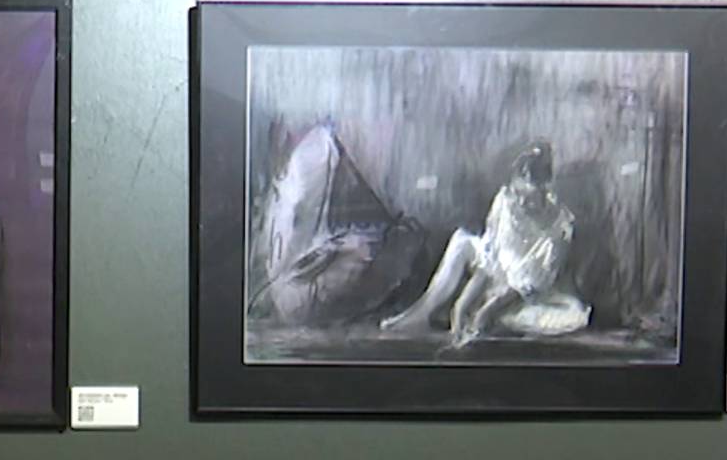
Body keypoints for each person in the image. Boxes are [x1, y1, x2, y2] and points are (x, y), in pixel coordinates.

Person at [380, 141, 590, 347]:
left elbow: (529, 285)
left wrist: (486, 311)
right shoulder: (507, 202)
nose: (521, 203)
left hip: (521, 296)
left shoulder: (558, 227)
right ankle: (423, 312)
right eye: (517, 194)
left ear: (545, 189)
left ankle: (485, 318)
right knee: (462, 240)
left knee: (528, 317)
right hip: (496, 279)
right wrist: (460, 306)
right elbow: (489, 263)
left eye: (529, 199)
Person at [250, 123, 422, 329]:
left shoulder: (301, 166)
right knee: (368, 249)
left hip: (292, 292)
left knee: (365, 245)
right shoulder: (313, 155)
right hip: (300, 298)